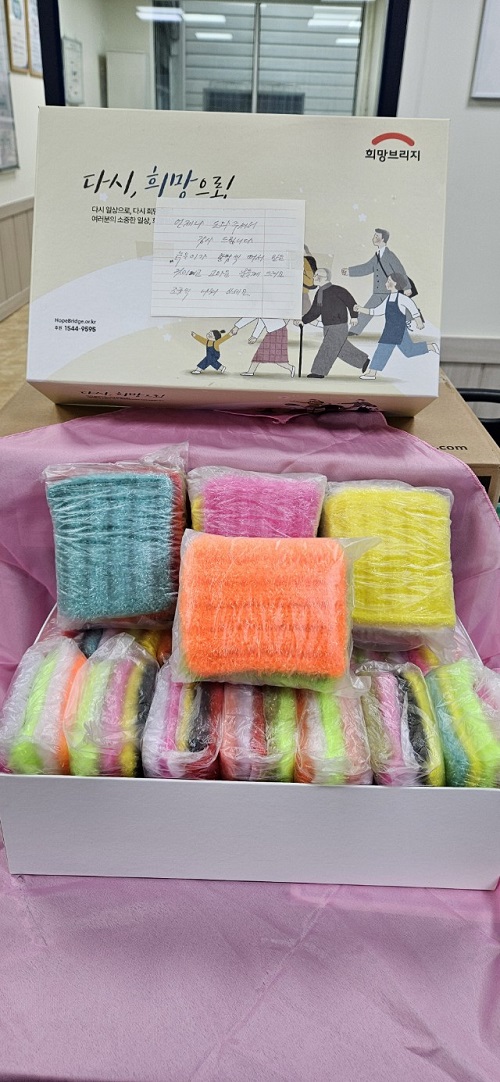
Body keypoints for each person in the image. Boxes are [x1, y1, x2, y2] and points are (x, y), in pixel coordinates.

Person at [356, 273, 439, 381]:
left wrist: (418, 321)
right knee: (409, 351)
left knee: (382, 349)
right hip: (392, 329)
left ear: (395, 283)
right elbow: (376, 311)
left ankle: (372, 373)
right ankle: (430, 347)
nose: (386, 283)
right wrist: (361, 309)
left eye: (388, 281)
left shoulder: (402, 298)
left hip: (397, 330)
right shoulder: (389, 298)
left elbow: (412, 307)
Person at [297, 268, 368, 378]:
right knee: (339, 348)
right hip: (327, 326)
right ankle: (363, 360)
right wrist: (303, 320)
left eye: (317, 275)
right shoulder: (320, 293)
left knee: (328, 348)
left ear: (325, 278)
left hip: (338, 325)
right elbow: (315, 311)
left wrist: (354, 317)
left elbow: (351, 302)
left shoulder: (337, 290)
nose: (314, 277)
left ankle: (318, 371)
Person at [341, 228, 411, 335]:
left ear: (383, 239)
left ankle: (412, 318)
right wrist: (350, 271)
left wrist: (407, 287)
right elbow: (367, 267)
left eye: (376, 236)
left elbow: (400, 270)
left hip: (390, 290)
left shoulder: (390, 255)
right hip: (378, 292)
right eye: (374, 236)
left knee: (400, 309)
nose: (373, 238)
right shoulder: (377, 255)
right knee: (368, 309)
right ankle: (354, 330)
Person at [230, 317, 295, 378]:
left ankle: (290, 367)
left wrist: (237, 327)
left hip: (278, 332)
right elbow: (261, 321)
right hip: (275, 332)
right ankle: (250, 371)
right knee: (261, 353)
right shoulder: (263, 311)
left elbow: (251, 317)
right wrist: (254, 336)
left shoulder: (263, 309)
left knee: (277, 357)